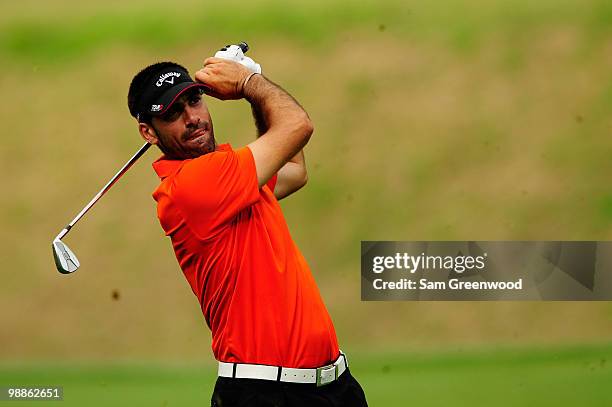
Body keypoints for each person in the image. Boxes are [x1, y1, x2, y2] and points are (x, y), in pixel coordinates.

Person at [127, 54, 368, 406]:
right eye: (172, 114)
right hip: (266, 393)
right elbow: (298, 125)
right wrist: (248, 83)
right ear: (149, 132)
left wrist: (254, 86)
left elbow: (293, 169)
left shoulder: (230, 177)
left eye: (194, 101)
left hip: (332, 386)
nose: (192, 118)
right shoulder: (193, 185)